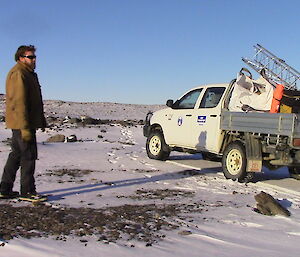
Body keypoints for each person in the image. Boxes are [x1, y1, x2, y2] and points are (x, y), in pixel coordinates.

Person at [0, 45, 46, 200]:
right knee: (28, 155)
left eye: (34, 57)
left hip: (24, 122)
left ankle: (4, 189)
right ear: (20, 58)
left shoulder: (28, 73)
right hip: (22, 123)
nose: (33, 60)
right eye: (30, 57)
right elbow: (19, 102)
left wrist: (41, 120)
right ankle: (27, 191)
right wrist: (25, 127)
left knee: (17, 154)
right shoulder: (19, 73)